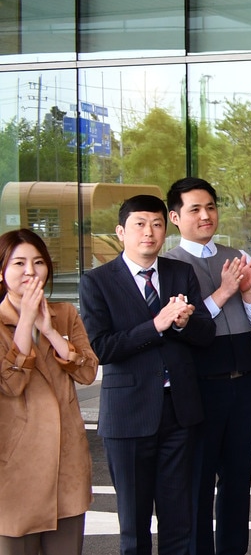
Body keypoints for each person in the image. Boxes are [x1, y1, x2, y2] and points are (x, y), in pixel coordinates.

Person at [81, 194, 214, 555]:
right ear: (121, 232)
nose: (149, 233)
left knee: (179, 519)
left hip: (179, 411)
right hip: (129, 415)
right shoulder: (97, 281)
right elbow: (104, 348)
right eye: (140, 224)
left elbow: (206, 333)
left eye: (157, 224)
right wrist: (156, 325)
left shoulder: (179, 272)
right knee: (134, 524)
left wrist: (185, 323)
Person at [164, 178, 251, 555]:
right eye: (194, 209)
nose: (206, 215)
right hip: (201, 383)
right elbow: (185, 327)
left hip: (245, 377)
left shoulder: (235, 254)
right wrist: (224, 291)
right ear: (175, 217)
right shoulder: (170, 266)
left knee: (238, 477)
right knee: (199, 478)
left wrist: (247, 291)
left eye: (210, 206)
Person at [0, 230, 98, 555]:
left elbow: (87, 371)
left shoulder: (65, 314)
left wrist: (50, 331)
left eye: (38, 262)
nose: (30, 270)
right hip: (14, 471)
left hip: (66, 466)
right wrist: (25, 321)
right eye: (19, 263)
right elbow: (10, 384)